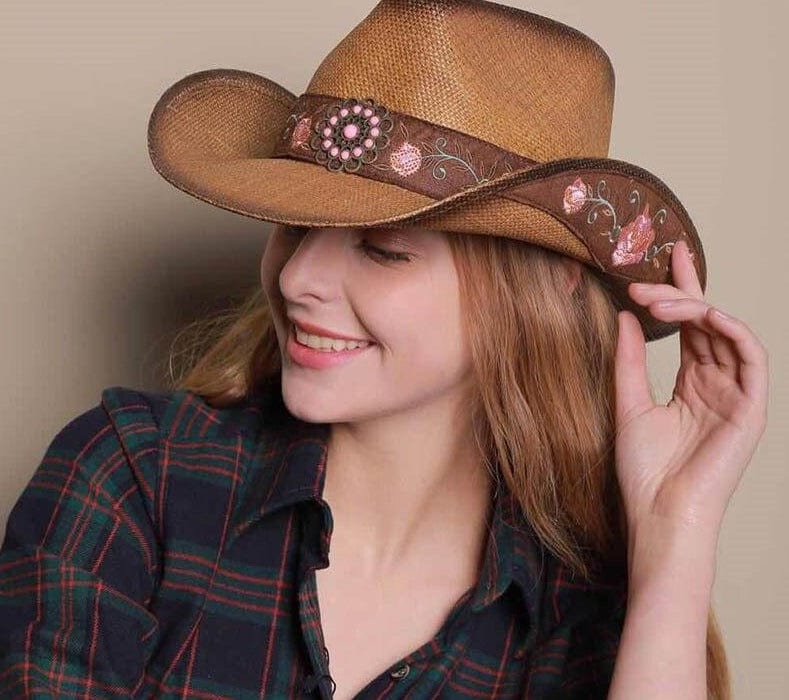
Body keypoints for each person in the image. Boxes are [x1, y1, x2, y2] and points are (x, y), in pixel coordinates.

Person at [0, 1, 768, 698]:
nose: (298, 278)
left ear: (546, 290)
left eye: (383, 251)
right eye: (296, 227)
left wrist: (674, 542)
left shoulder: (577, 615)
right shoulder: (138, 476)